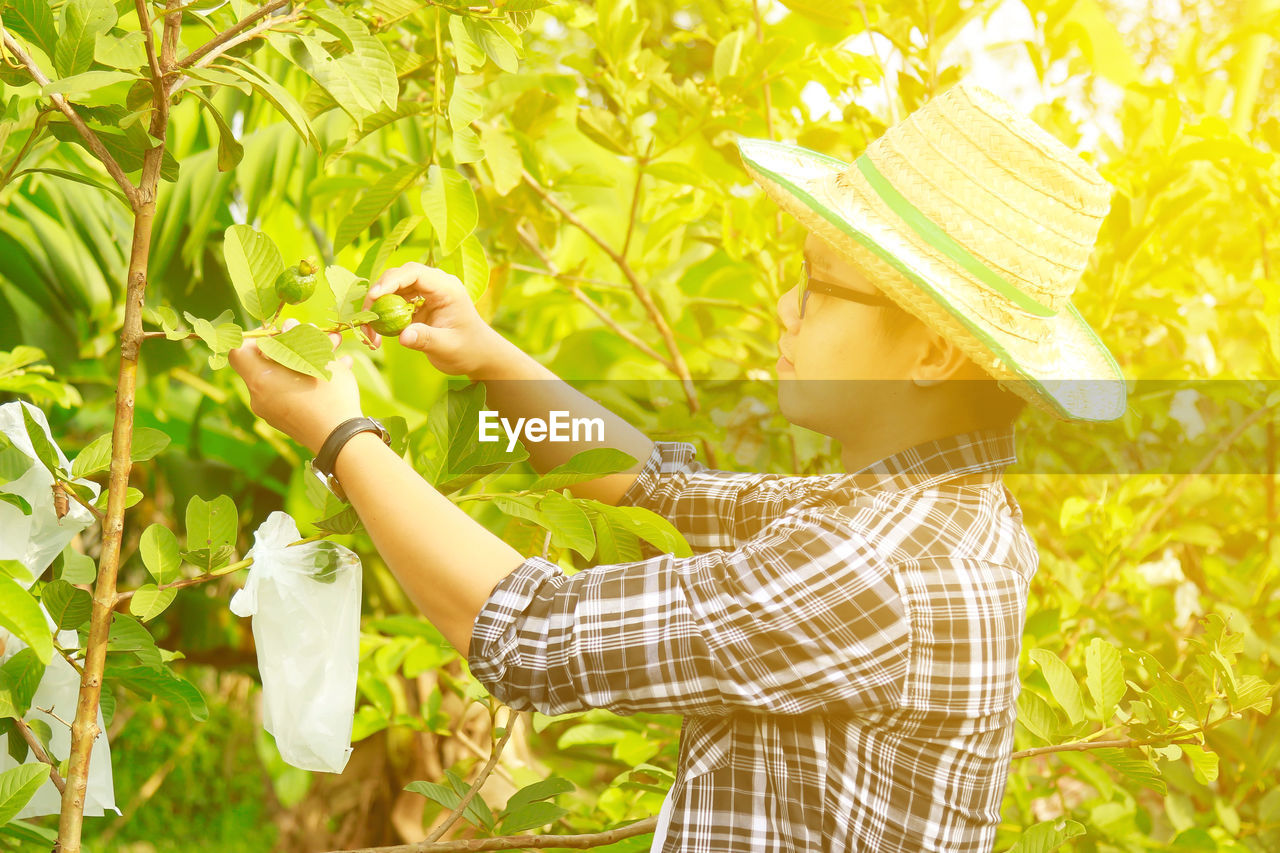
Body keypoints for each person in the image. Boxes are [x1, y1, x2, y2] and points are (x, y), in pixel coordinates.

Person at [228, 83, 1126, 851]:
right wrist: (488, 355)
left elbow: (527, 632)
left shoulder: (879, 566)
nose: (784, 305)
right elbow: (658, 491)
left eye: (816, 285)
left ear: (930, 351)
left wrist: (341, 435)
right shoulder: (928, 514)